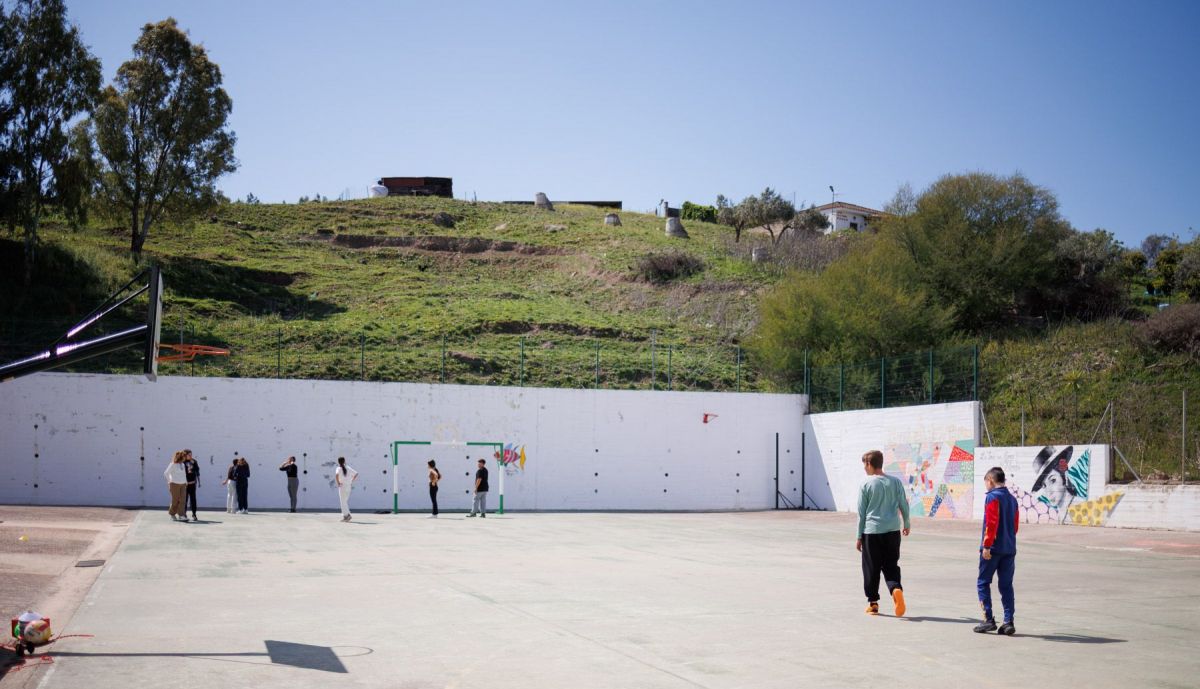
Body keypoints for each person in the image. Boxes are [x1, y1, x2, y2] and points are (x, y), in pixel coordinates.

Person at [855, 449, 910, 616]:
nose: (864, 468)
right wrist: (906, 523)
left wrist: (859, 536)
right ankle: (895, 589)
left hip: (872, 532)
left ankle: (873, 603)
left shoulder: (866, 484)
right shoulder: (895, 482)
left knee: (871, 567)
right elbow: (903, 505)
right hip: (893, 531)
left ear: (870, 464)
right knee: (891, 565)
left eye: (865, 464)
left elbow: (861, 513)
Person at [975, 466, 1020, 635]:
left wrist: (987, 545)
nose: (986, 485)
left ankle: (988, 619)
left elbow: (991, 523)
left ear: (991, 481)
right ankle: (1008, 621)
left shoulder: (993, 497)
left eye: (986, 482)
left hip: (993, 548)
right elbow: (1015, 526)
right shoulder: (1013, 500)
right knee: (1006, 585)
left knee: (983, 582)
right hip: (1009, 548)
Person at [163, 451, 189, 522]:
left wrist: (186, 482)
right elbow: (166, 473)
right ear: (181, 457)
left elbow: (184, 474)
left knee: (183, 500)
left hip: (183, 484)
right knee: (175, 500)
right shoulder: (173, 464)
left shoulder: (183, 465)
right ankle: (172, 514)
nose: (185, 458)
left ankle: (181, 515)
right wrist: (169, 481)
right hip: (174, 484)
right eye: (184, 456)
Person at [335, 457, 358, 522]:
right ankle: (346, 516)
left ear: (338, 462)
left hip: (342, 486)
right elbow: (356, 473)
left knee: (343, 501)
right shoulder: (348, 467)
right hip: (348, 486)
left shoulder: (338, 468)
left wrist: (338, 483)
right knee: (345, 501)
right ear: (344, 461)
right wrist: (351, 481)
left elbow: (336, 475)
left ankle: (347, 515)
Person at [182, 449, 200, 522]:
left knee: (193, 499)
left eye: (191, 454)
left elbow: (197, 470)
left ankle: (194, 514)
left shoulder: (194, 461)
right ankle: (184, 514)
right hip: (185, 484)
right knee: (184, 499)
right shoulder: (182, 462)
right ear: (185, 455)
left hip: (192, 483)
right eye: (189, 455)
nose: (190, 456)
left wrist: (198, 481)